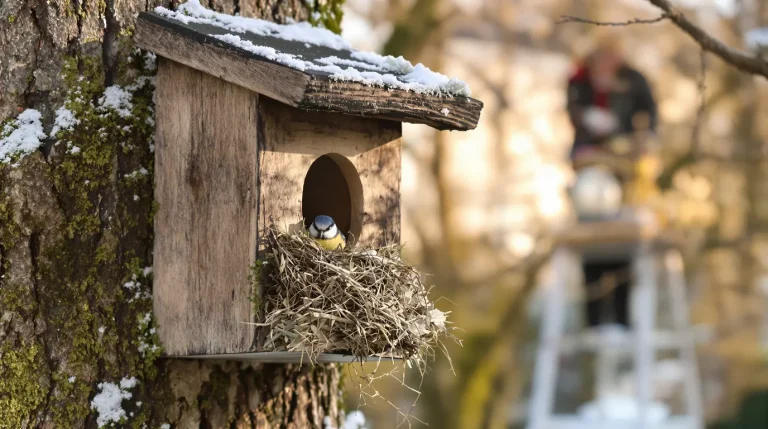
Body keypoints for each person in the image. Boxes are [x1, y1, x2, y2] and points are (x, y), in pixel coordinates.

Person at [566, 37, 658, 328]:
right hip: (589, 163)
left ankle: (621, 316)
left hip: (623, 162)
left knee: (622, 243)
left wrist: (643, 139)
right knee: (592, 244)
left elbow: (651, 114)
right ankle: (594, 318)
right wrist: (587, 120)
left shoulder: (633, 79)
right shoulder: (579, 79)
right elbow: (572, 110)